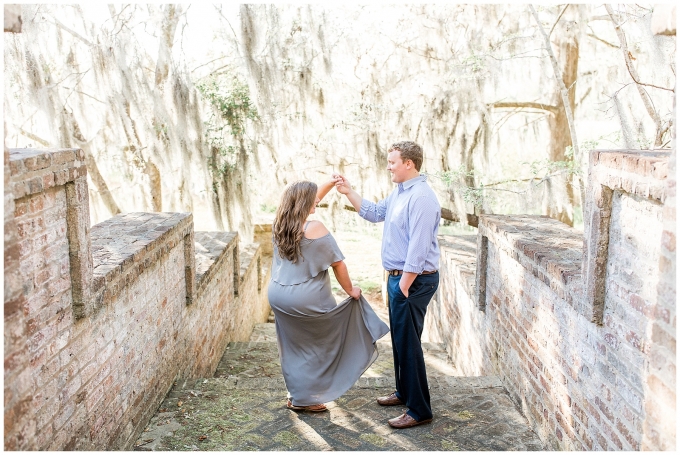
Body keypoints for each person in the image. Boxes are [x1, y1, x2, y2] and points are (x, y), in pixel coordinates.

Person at [333, 140, 440, 429]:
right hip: (399, 279)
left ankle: (419, 410)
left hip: (413, 281)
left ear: (409, 163)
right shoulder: (400, 192)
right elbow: (374, 213)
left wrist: (404, 285)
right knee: (400, 340)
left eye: (393, 161)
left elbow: (418, 248)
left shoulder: (422, 197)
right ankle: (404, 392)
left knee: (409, 344)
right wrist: (349, 191)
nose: (388, 166)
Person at [268, 179, 389, 412]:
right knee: (323, 344)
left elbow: (306, 196)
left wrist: (330, 184)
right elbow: (338, 264)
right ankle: (308, 398)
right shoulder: (315, 228)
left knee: (293, 347)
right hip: (306, 300)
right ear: (305, 202)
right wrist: (351, 291)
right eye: (314, 199)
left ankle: (296, 396)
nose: (318, 201)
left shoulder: (280, 224)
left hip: (278, 297)